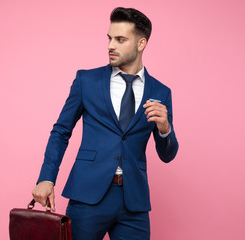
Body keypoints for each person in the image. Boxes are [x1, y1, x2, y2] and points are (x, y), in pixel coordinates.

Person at [32, 7, 179, 240]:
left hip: (134, 203)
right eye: (110, 38)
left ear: (141, 44)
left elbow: (167, 155)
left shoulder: (161, 92)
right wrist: (46, 178)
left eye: (120, 39)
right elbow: (61, 132)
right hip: (87, 196)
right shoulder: (86, 81)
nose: (111, 45)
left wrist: (165, 129)